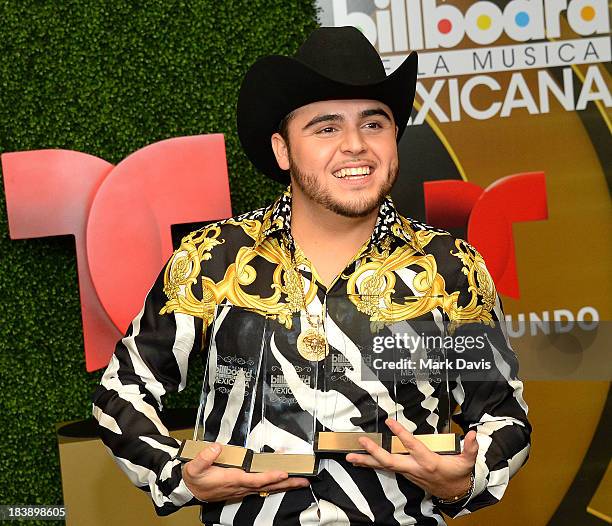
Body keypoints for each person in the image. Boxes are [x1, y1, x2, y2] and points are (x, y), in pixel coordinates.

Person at [93, 26, 530, 525]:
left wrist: (467, 478)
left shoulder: (449, 267)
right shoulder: (215, 258)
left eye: (374, 124)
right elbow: (122, 391)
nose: (354, 146)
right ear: (283, 151)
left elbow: (503, 416)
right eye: (325, 128)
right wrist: (176, 474)